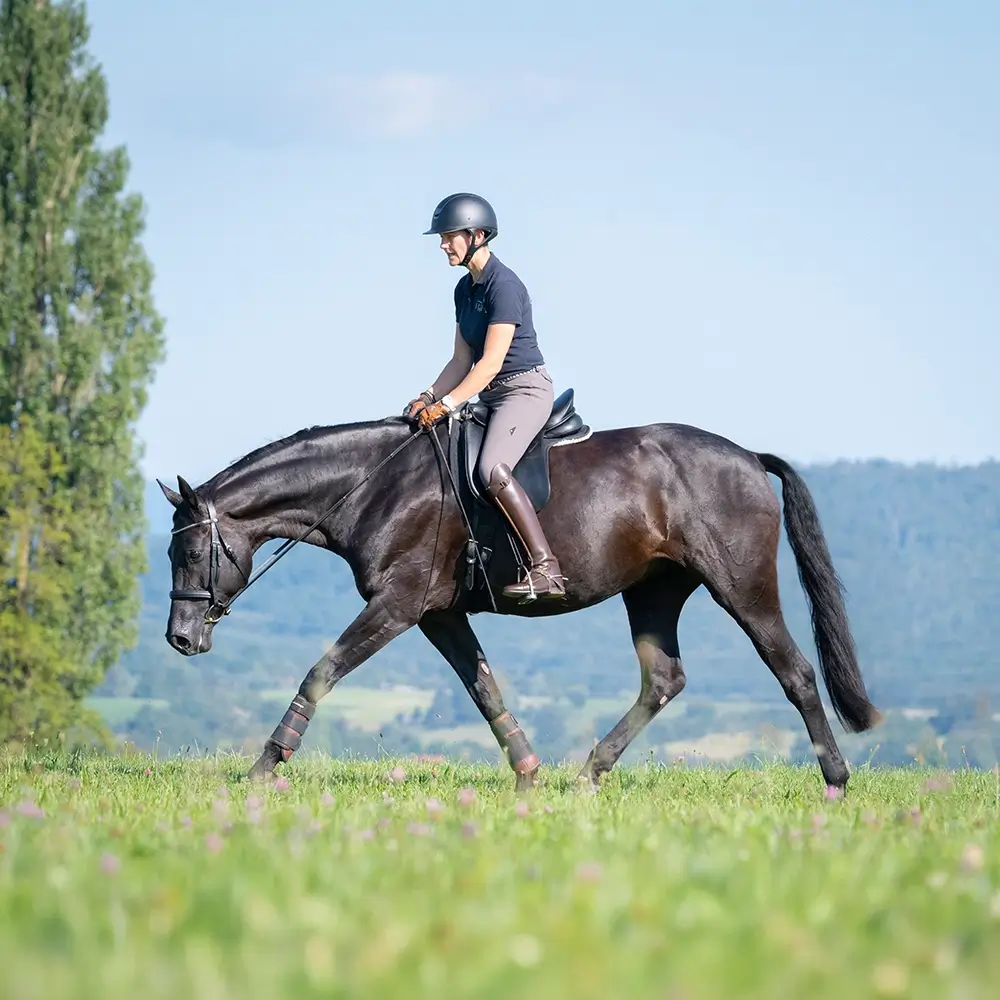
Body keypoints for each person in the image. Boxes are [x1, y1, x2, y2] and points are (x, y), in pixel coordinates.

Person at [405, 192, 567, 601]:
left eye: (448, 236)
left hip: (523, 389)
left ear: (476, 235)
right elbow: (461, 359)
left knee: (491, 469)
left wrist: (446, 405)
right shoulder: (464, 290)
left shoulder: (505, 286)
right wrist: (426, 396)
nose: (442, 244)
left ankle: (546, 569)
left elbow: (490, 363)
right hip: (486, 394)